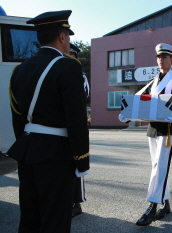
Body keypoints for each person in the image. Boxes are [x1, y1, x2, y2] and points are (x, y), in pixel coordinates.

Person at [7, 10, 89, 233]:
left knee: (30, 216)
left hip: (28, 151)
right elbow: (77, 118)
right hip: (57, 154)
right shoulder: (69, 66)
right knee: (56, 220)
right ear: (62, 37)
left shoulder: (19, 70)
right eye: (68, 36)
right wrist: (82, 160)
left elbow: (17, 117)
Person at [119, 43, 172, 226]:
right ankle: (166, 204)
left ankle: (152, 207)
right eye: (159, 57)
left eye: (165, 57)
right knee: (157, 166)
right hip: (153, 129)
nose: (161, 60)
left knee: (160, 166)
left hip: (168, 129)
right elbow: (140, 100)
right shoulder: (152, 81)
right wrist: (127, 114)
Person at [69, 43, 90, 218]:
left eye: (70, 55)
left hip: (76, 127)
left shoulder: (80, 76)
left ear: (75, 57)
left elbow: (81, 98)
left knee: (78, 165)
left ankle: (77, 203)